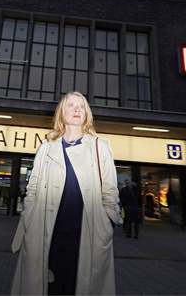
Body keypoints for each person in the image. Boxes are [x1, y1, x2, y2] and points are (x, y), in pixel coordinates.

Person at [11, 91, 120, 295]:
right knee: (49, 288)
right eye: (71, 105)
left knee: (78, 287)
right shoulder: (47, 147)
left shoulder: (100, 146)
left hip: (87, 234)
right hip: (47, 233)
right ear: (62, 113)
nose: (77, 109)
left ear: (86, 114)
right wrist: (29, 214)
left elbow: (110, 192)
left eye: (81, 106)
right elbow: (32, 189)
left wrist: (108, 220)